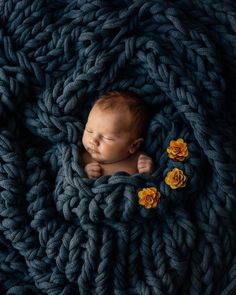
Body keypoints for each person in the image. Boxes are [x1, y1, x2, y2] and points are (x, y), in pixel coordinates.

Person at [81, 90, 154, 179]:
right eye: (89, 130)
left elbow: (150, 182)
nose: (93, 140)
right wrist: (85, 173)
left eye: (107, 138)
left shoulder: (139, 160)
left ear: (134, 146)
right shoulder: (84, 159)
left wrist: (148, 169)